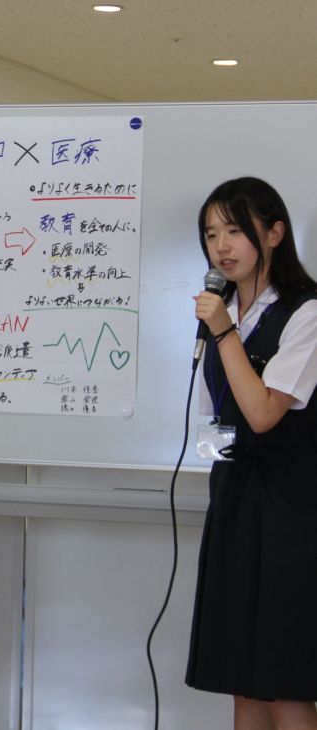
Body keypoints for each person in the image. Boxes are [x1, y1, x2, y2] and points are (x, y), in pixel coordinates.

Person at [186, 177, 317, 729]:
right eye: (212, 233)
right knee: (244, 683)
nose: (221, 246)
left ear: (275, 233)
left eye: (235, 229)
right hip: (237, 501)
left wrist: (223, 333)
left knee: (287, 684)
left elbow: (264, 413)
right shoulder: (225, 314)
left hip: (294, 512)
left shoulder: (305, 312)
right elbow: (222, 410)